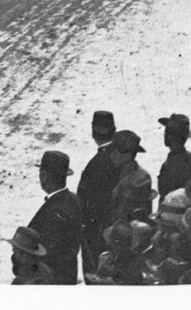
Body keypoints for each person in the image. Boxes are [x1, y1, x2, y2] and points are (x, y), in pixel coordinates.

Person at [76, 110, 120, 277]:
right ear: (114, 130)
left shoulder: (95, 165)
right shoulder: (119, 157)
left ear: (93, 132)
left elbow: (86, 200)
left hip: (95, 233)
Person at [27, 149, 81, 285]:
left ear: (45, 176)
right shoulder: (75, 200)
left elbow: (44, 251)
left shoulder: (53, 210)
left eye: (41, 173)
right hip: (69, 273)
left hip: (50, 279)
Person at [155, 113, 191, 203]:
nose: (165, 135)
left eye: (167, 132)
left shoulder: (171, 164)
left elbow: (165, 193)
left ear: (170, 137)